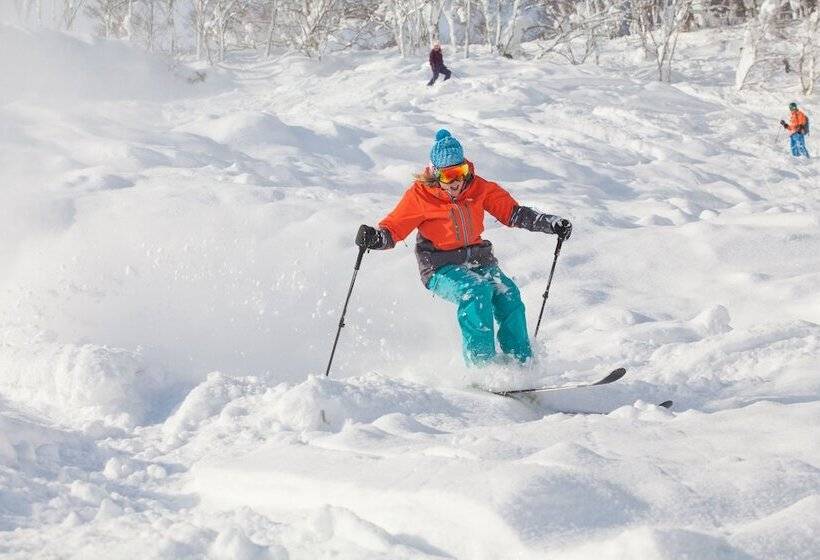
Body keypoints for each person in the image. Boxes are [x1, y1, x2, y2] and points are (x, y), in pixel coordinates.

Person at [355, 129, 572, 367]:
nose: (456, 181)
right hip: (439, 266)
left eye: (460, 172)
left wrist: (549, 223)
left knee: (508, 295)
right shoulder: (420, 196)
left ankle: (521, 363)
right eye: (448, 175)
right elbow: (393, 229)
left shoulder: (478, 188)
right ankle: (482, 369)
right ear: (436, 174)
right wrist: (375, 238)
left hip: (479, 259)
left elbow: (513, 213)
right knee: (476, 292)